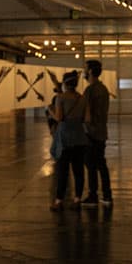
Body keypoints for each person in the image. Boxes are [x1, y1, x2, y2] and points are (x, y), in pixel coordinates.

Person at [49, 71, 90, 211]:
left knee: (63, 171)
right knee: (78, 170)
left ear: (65, 84)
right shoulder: (83, 98)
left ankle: (59, 201)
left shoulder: (60, 98)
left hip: (65, 139)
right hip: (80, 138)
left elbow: (59, 118)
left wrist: (50, 111)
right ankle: (77, 199)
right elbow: (87, 119)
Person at [81, 60, 112, 208]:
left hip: (91, 132)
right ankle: (107, 195)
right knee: (101, 164)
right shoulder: (104, 89)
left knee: (91, 165)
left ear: (91, 72)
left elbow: (86, 112)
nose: (84, 72)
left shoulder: (90, 90)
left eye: (85, 69)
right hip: (101, 131)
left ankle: (93, 195)